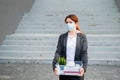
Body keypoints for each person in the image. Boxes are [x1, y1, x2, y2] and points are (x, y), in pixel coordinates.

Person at [52, 14, 88, 80]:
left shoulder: (82, 37)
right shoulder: (62, 37)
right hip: (64, 70)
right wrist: (54, 65)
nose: (68, 24)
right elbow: (58, 52)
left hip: (77, 70)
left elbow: (84, 53)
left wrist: (84, 67)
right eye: (67, 22)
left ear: (76, 23)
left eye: (70, 22)